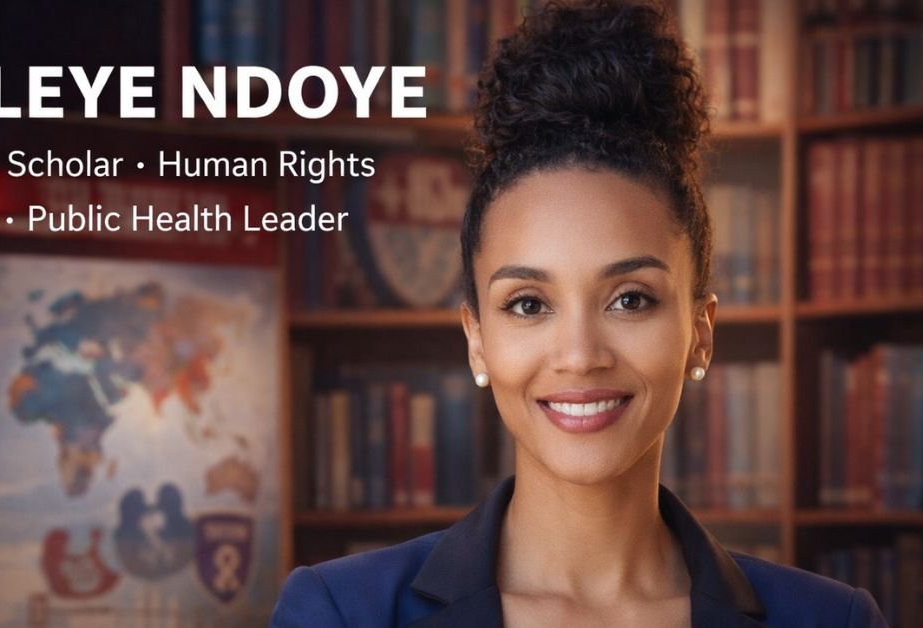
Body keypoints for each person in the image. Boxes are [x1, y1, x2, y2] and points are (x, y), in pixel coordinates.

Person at [270, 1, 889, 626]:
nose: (580, 354)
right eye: (529, 304)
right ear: (476, 340)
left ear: (700, 334)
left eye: (630, 299)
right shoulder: (343, 612)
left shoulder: (831, 619)